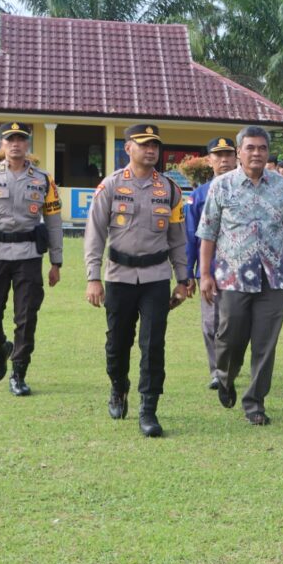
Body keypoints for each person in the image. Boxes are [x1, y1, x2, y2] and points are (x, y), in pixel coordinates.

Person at [84, 124, 191, 437]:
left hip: (156, 277)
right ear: (128, 148)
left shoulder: (170, 190)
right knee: (118, 342)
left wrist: (182, 278)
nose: (151, 150)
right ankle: (119, 387)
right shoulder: (111, 186)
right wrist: (93, 277)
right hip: (119, 276)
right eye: (144, 144)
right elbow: (94, 234)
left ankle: (149, 408)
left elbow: (177, 239)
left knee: (153, 343)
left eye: (155, 145)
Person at [197, 126, 283, 426]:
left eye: (262, 148)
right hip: (232, 277)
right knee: (229, 336)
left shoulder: (282, 186)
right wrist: (204, 274)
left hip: (274, 277)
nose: (256, 153)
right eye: (250, 148)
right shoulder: (222, 186)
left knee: (265, 342)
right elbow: (207, 233)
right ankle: (225, 376)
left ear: (268, 152)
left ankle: (255, 402)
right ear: (239, 152)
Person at [0, 122, 63, 396]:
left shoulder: (43, 180)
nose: (16, 144)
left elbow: (53, 221)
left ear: (27, 144)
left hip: (29, 256)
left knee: (26, 316)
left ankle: (18, 372)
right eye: (10, 139)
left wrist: (56, 262)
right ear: (2, 144)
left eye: (21, 139)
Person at [186, 137, 237, 389]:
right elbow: (189, 236)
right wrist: (187, 273)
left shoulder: (244, 189)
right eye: (218, 155)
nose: (224, 160)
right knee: (210, 322)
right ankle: (217, 371)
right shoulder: (198, 196)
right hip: (210, 269)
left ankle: (230, 365)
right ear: (209, 160)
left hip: (240, 270)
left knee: (235, 322)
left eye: (229, 154)